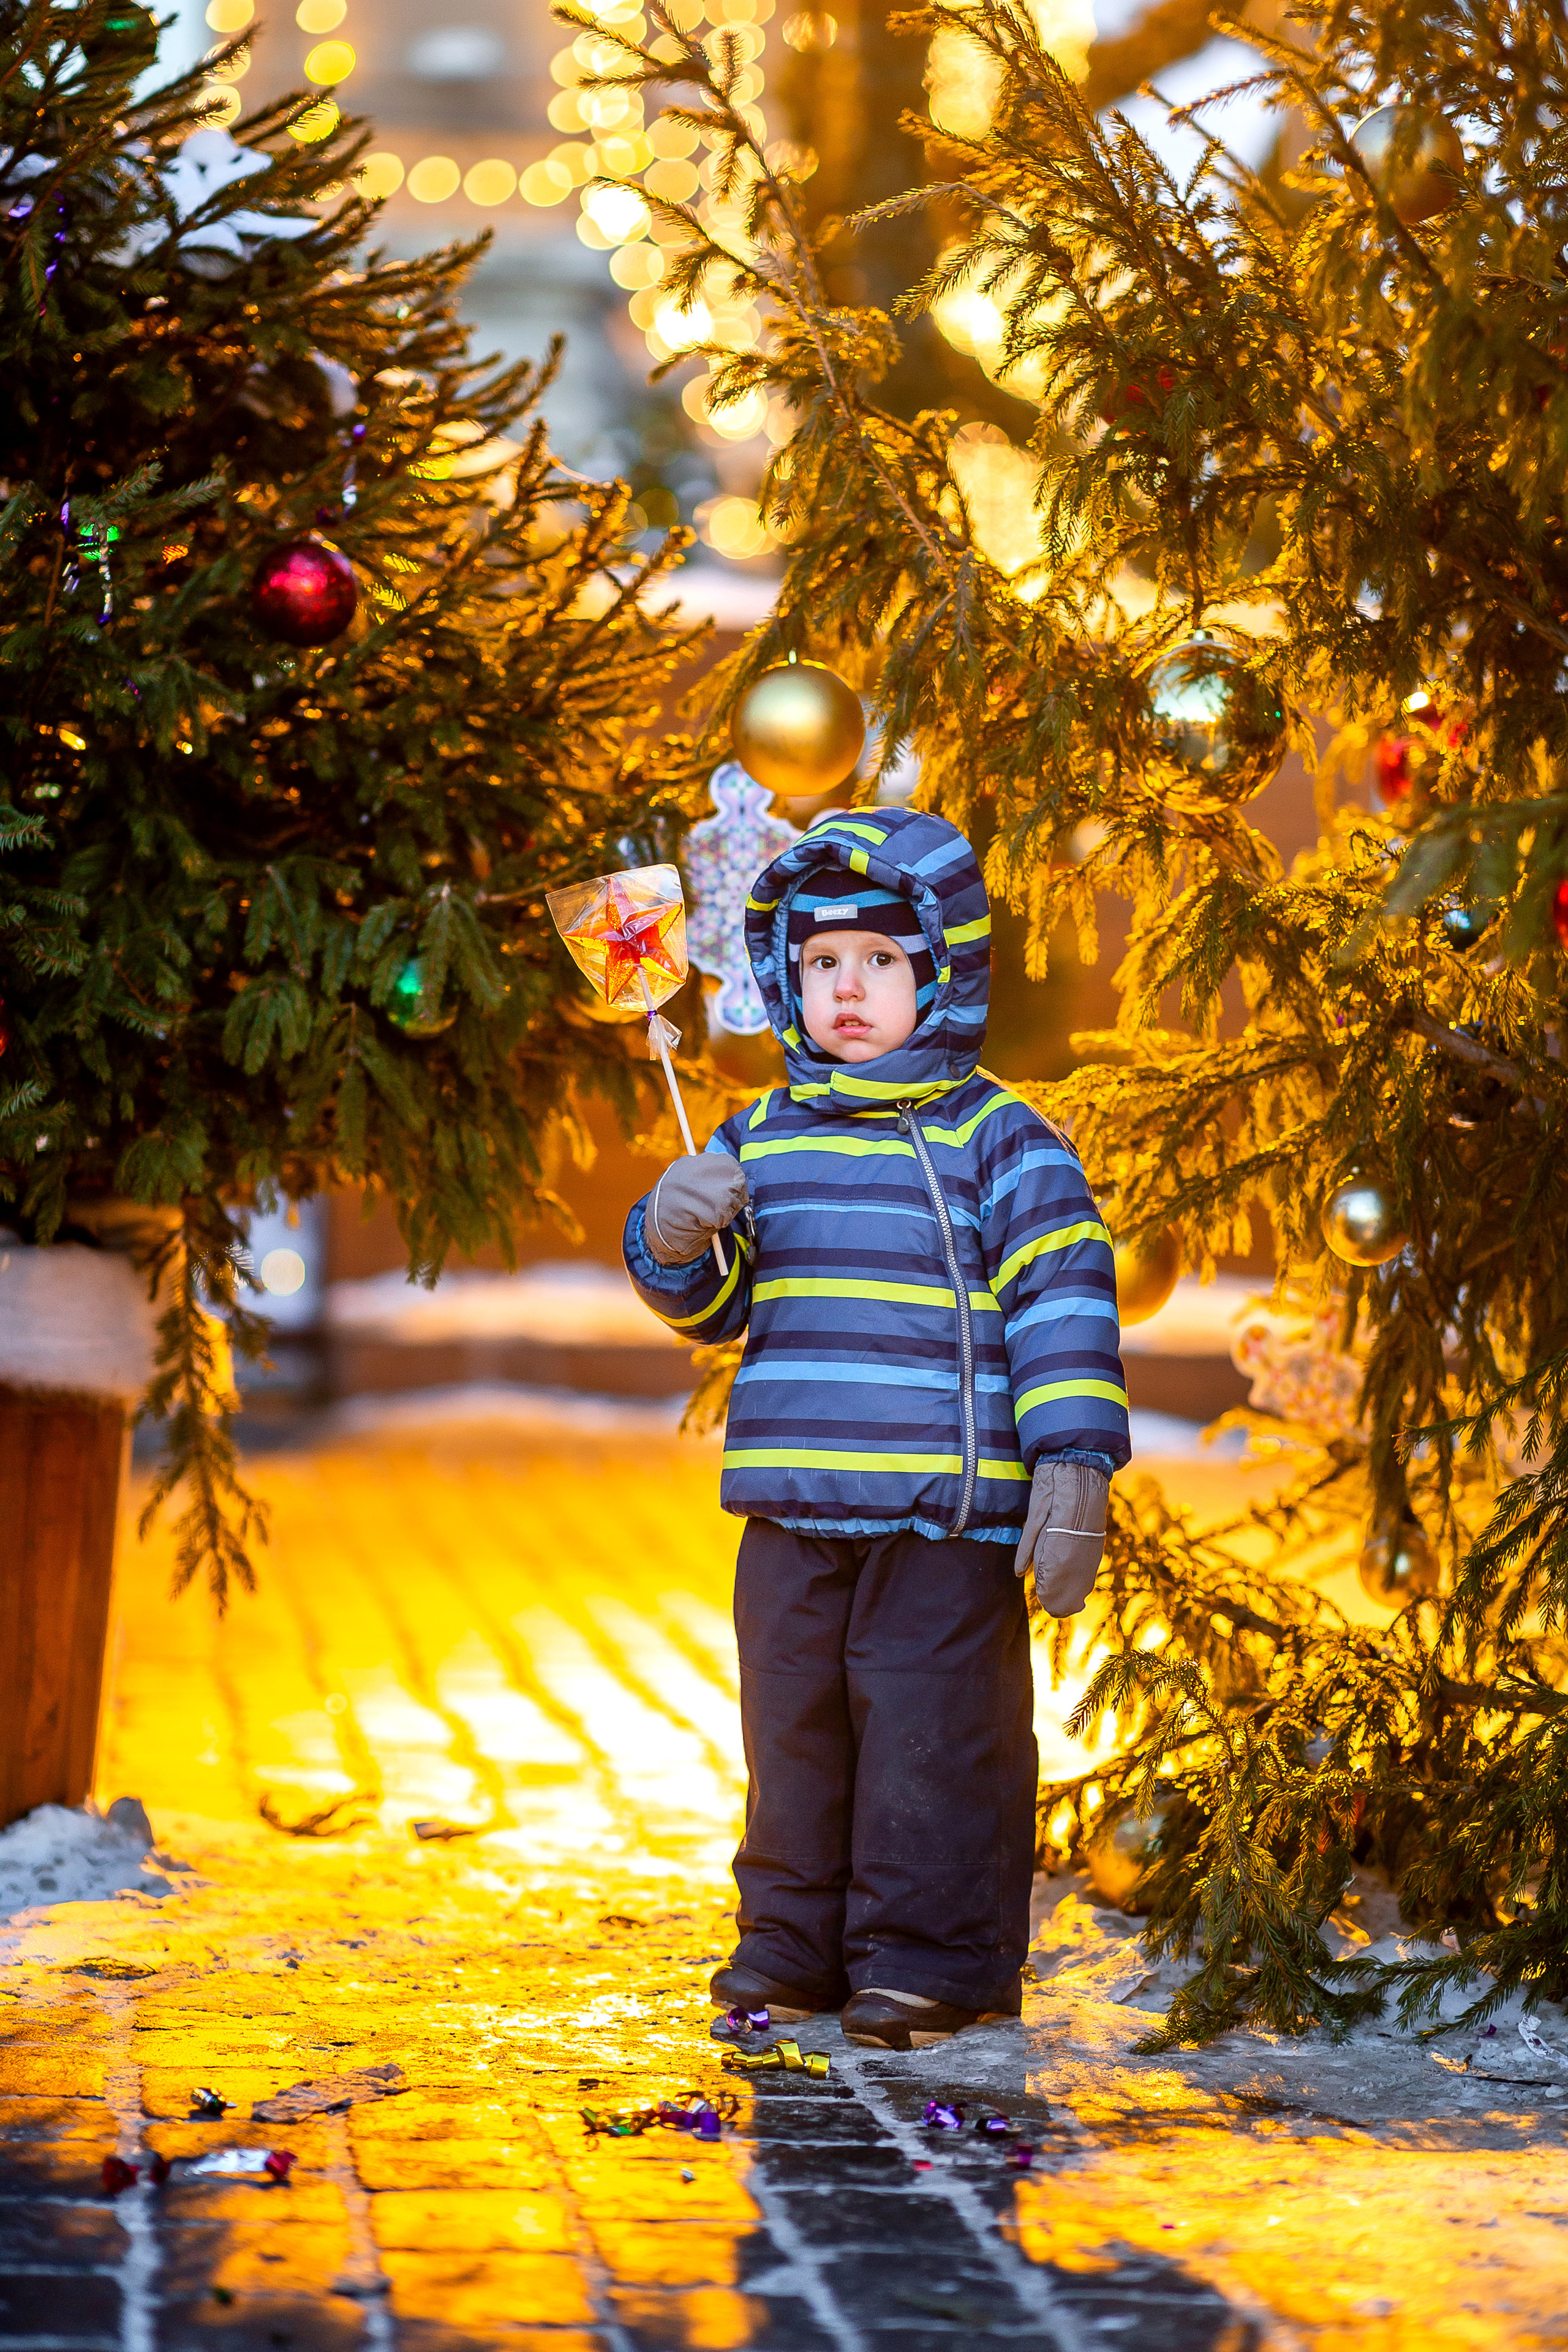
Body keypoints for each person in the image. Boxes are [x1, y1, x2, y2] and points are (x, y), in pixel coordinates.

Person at [622, 806, 1129, 2051]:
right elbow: (718, 1305)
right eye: (818, 965)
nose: (847, 990)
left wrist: (1071, 1469)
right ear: (786, 983)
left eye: (880, 961)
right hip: (792, 1510)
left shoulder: (998, 1141)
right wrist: (672, 1233)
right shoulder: (759, 1133)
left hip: (938, 1520)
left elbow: (1061, 1301)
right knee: (792, 1742)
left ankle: (926, 1958)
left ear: (940, 971)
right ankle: (787, 1947)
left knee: (927, 1741)